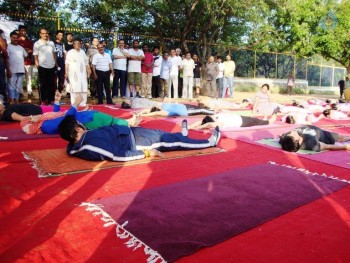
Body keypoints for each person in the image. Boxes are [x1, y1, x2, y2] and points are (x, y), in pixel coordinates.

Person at [58, 115, 221, 162]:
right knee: (172, 142)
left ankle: (183, 136)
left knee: (167, 136)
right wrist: (147, 153)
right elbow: (117, 155)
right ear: (78, 129)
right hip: (137, 142)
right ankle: (209, 142)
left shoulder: (76, 145)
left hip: (131, 133)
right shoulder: (90, 145)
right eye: (80, 124)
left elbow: (71, 149)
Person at [20, 93, 141, 135]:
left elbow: (56, 114)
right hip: (85, 121)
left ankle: (128, 123)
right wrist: (75, 105)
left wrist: (56, 101)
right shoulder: (45, 126)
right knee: (109, 121)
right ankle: (128, 124)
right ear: (33, 123)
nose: (32, 116)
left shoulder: (44, 121)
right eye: (30, 118)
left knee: (108, 120)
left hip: (84, 117)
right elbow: (65, 120)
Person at [279, 125, 350, 152]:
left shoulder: (286, 140)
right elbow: (328, 146)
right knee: (341, 138)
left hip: (313, 128)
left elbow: (281, 136)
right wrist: (346, 147)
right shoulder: (311, 144)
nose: (292, 132)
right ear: (299, 140)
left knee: (342, 136)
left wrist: (281, 136)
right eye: (293, 135)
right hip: (324, 135)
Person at [33, 28, 57, 105]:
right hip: (42, 66)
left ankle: (51, 100)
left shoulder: (51, 43)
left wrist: (55, 63)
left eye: (46, 33)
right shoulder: (37, 43)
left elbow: (54, 54)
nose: (45, 35)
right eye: (43, 33)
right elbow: (35, 55)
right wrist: (37, 64)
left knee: (52, 84)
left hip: (52, 66)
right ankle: (43, 100)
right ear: (40, 34)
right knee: (43, 84)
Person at [122, 97, 214, 116]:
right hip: (185, 111)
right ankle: (212, 112)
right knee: (201, 110)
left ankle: (209, 109)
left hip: (184, 106)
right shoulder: (163, 111)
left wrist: (139, 113)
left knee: (200, 108)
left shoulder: (162, 105)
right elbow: (155, 112)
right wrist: (142, 115)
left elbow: (147, 110)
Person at [65, 39, 91, 106]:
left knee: (83, 87)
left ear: (80, 44)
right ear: (73, 45)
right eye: (76, 43)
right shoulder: (70, 52)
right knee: (74, 87)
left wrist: (88, 69)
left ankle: (83, 103)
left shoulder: (82, 52)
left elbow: (86, 62)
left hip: (82, 74)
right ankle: (74, 103)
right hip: (73, 73)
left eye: (79, 43)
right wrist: (66, 72)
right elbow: (67, 63)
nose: (77, 45)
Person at [189, 111, 277, 130]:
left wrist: (191, 126)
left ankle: (265, 120)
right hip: (242, 122)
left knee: (256, 120)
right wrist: (197, 128)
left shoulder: (216, 116)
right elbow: (209, 124)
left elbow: (203, 122)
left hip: (240, 117)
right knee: (257, 122)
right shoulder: (219, 122)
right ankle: (269, 121)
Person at [6, 31, 28, 104]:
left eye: (16, 38)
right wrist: (8, 69)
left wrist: (21, 61)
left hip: (20, 70)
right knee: (11, 86)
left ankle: (16, 99)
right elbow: (6, 58)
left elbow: (26, 55)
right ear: (11, 38)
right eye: (13, 38)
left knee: (18, 86)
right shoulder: (8, 47)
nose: (15, 39)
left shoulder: (20, 47)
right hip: (12, 70)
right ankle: (11, 100)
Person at [17, 25, 35, 100]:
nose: (23, 32)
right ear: (19, 31)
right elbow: (17, 51)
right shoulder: (16, 40)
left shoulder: (29, 41)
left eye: (24, 30)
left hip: (28, 62)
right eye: (21, 30)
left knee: (29, 78)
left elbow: (31, 50)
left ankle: (29, 93)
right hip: (19, 62)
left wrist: (23, 50)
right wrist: (25, 50)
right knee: (20, 79)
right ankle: (20, 93)